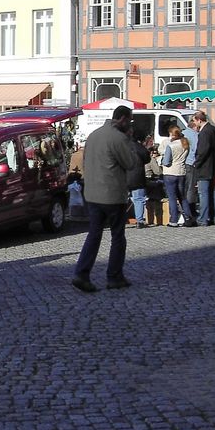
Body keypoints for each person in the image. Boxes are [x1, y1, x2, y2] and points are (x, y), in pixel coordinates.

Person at [72, 105, 140, 292]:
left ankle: (81, 273)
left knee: (94, 234)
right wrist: (130, 140)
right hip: (111, 194)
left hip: (92, 193)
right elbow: (130, 163)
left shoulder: (94, 135)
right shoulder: (118, 138)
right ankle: (114, 276)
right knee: (118, 236)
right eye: (130, 121)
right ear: (124, 119)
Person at [192, 111, 215, 226]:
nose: (195, 124)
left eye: (195, 121)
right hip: (214, 167)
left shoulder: (204, 132)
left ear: (199, 120)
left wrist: (197, 163)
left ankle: (203, 218)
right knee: (213, 192)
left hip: (205, 167)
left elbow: (203, 151)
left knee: (203, 193)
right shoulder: (214, 130)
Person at [161, 125, 194, 227]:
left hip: (170, 172)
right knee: (182, 197)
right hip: (181, 172)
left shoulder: (171, 146)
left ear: (172, 134)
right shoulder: (185, 144)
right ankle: (189, 217)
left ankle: (174, 220)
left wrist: (160, 159)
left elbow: (166, 162)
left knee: (172, 197)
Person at [127, 129, 153, 229]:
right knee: (139, 199)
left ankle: (118, 219)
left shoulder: (122, 146)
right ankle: (139, 221)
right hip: (137, 176)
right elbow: (147, 159)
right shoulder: (140, 147)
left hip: (124, 176)